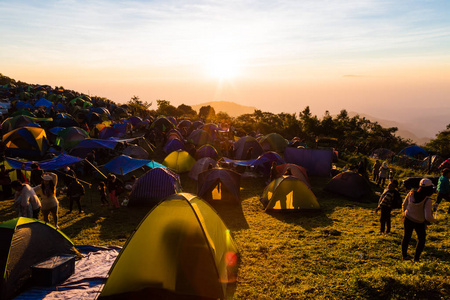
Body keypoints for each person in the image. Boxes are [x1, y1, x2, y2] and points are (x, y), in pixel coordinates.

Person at [401, 178, 437, 262]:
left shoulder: (411, 193)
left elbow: (404, 205)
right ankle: (416, 258)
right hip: (419, 222)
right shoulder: (427, 200)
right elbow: (428, 217)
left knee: (406, 237)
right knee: (421, 239)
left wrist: (406, 212)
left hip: (408, 218)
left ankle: (404, 256)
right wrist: (435, 220)